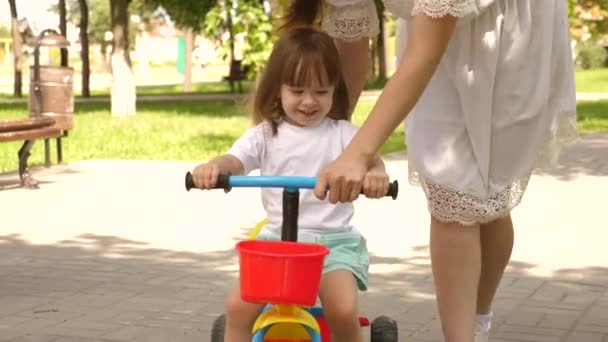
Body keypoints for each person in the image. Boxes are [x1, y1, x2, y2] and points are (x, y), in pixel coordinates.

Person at [280, 1, 577, 341]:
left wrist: (360, 154)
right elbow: (352, 39)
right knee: (449, 187)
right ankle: (462, 335)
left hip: (507, 33)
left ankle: (477, 322)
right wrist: (325, 139)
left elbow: (425, 54)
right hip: (429, 29)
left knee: (488, 198)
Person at [191, 27, 390, 342]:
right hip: (276, 247)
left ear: (334, 90)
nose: (309, 102)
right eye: (297, 91)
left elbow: (371, 161)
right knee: (238, 308)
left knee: (342, 309)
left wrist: (376, 175)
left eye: (321, 91)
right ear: (277, 89)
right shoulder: (266, 134)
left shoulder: (343, 134)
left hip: (332, 245)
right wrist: (214, 168)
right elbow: (235, 161)